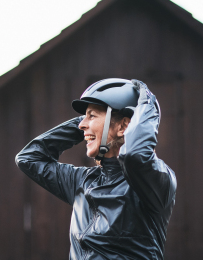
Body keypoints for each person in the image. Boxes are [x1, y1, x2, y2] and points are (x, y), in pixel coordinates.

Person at [16, 78, 177, 260]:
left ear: (124, 126)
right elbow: (29, 158)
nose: (81, 124)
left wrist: (148, 103)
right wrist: (88, 126)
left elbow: (135, 156)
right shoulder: (82, 180)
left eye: (91, 116)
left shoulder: (155, 180)